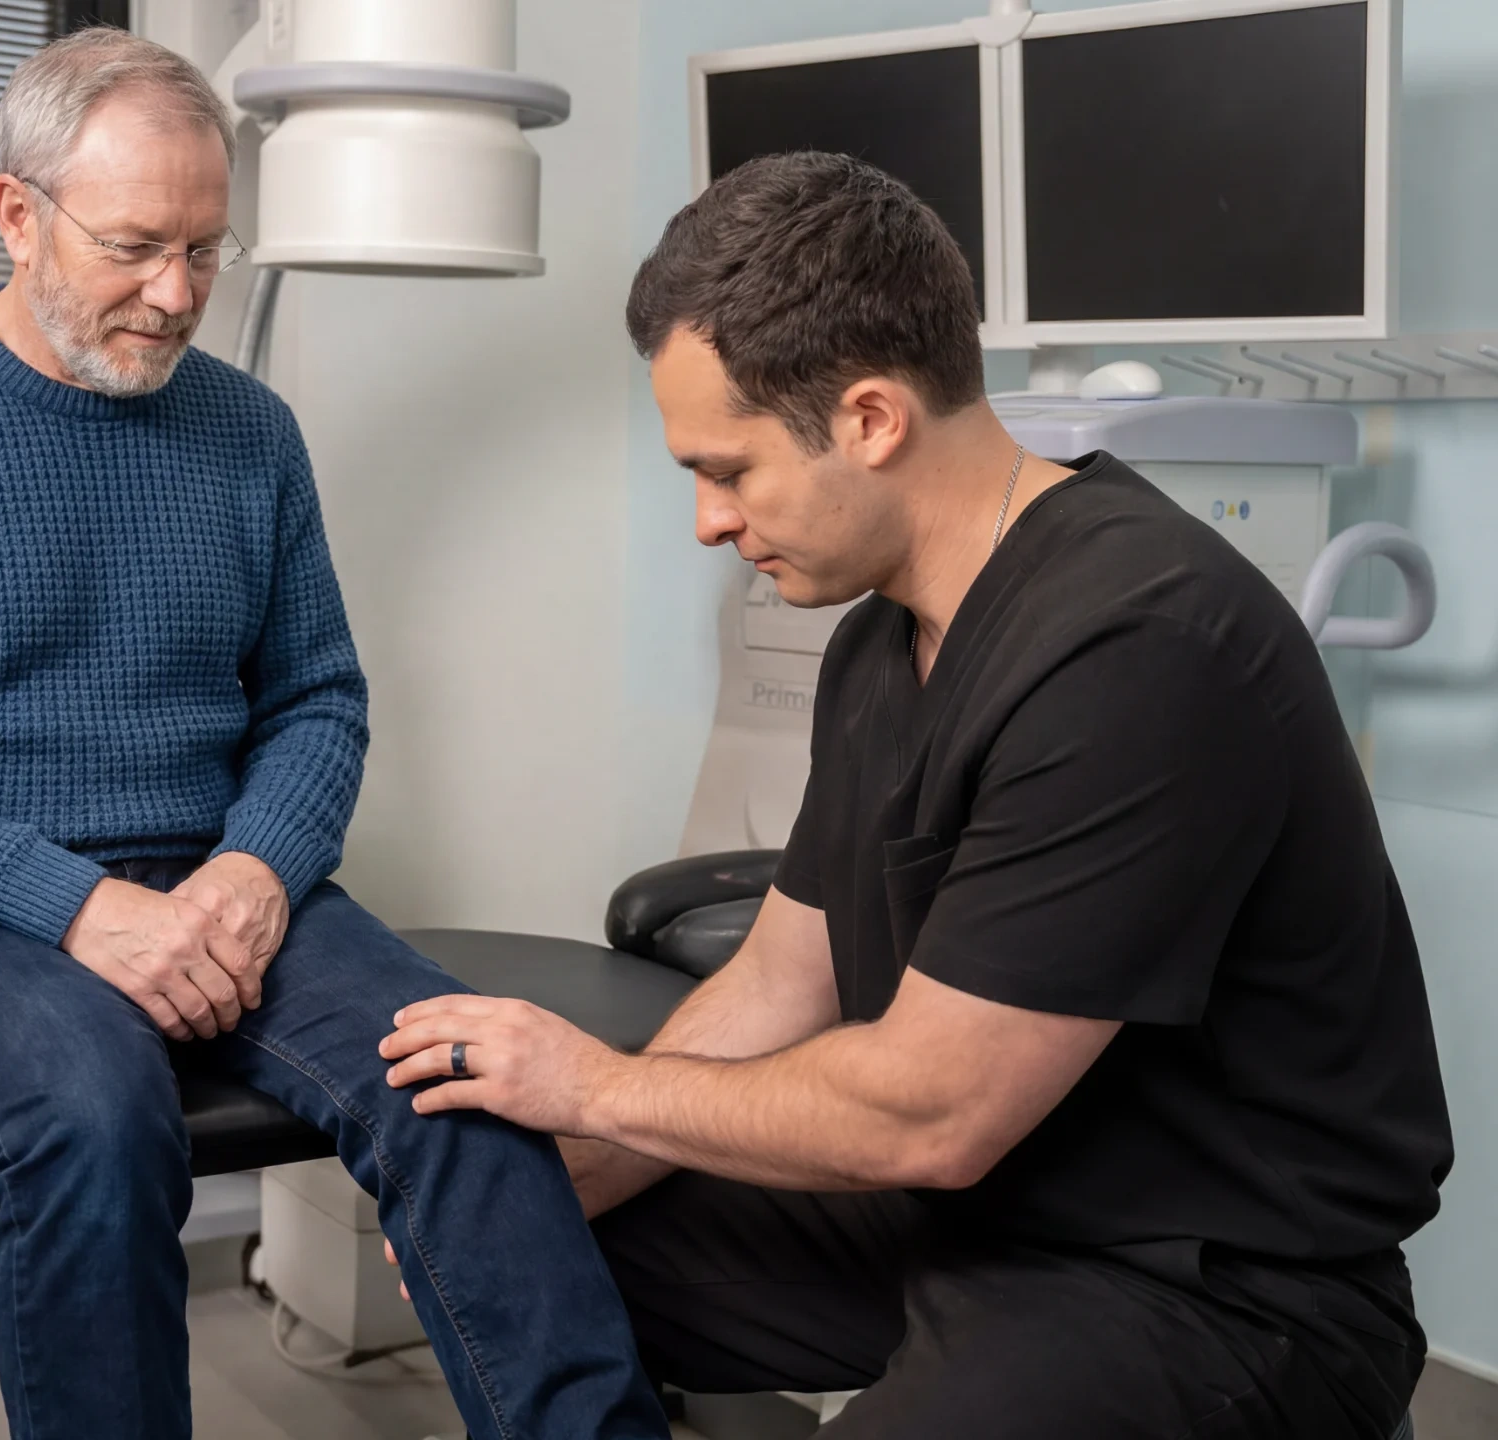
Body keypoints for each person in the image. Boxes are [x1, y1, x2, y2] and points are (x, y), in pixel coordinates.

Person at [382, 152, 1455, 1438]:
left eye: (730, 470)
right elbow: (784, 981)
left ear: (872, 420)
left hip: (1217, 1285)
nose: (709, 521)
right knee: (503, 1248)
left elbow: (935, 1112)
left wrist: (590, 1088)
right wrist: (577, 1168)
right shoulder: (879, 644)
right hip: (980, 1209)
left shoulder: (1138, 644)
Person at [0, 28, 666, 1440]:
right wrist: (77, 907)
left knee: (464, 1078)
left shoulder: (252, 434)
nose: (175, 295)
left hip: (216, 881)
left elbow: (316, 700)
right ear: (17, 216)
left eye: (203, 251)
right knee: (94, 1108)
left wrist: (254, 871)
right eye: (132, 248)